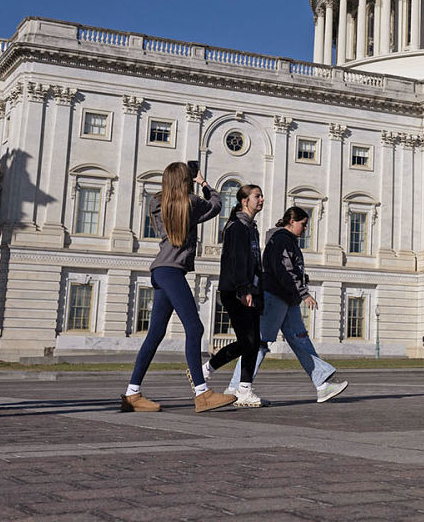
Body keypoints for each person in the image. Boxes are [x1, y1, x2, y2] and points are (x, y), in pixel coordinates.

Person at [120, 161, 234, 413]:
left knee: (155, 334)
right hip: (172, 272)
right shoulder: (191, 204)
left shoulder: (156, 203)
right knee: (195, 327)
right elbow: (216, 203)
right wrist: (203, 183)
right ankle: (202, 393)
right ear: (186, 180)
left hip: (160, 270)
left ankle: (132, 393)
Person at [223, 206, 350, 403]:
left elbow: (290, 270)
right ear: (292, 222)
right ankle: (235, 389)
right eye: (303, 224)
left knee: (301, 339)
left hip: (287, 299)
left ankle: (322, 384)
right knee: (259, 343)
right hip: (275, 296)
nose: (305, 229)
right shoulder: (281, 239)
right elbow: (283, 270)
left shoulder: (287, 241)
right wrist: (304, 293)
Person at [205, 183, 266, 408]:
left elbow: (253, 262)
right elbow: (237, 261)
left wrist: (258, 288)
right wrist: (244, 289)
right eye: (257, 196)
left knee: (252, 342)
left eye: (261, 196)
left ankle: (244, 390)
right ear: (244, 201)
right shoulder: (237, 226)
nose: (261, 199)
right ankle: (206, 370)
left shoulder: (251, 227)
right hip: (236, 290)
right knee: (248, 341)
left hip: (251, 289)